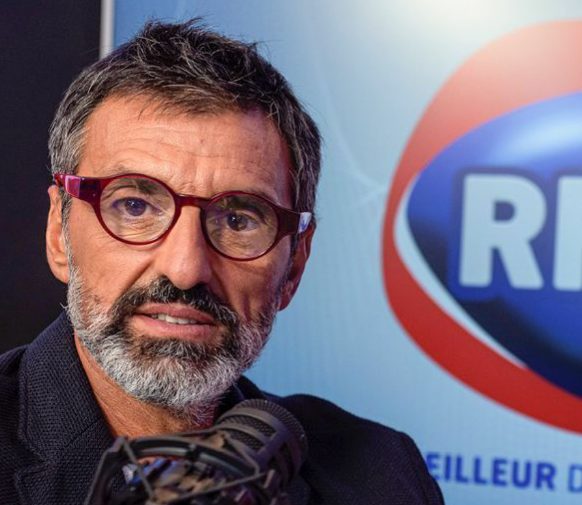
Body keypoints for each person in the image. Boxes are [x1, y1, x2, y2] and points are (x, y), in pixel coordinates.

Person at [0, 20, 443, 504]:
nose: (186, 268)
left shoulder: (382, 475)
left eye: (237, 220)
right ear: (59, 233)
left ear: (295, 265)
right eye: (135, 207)